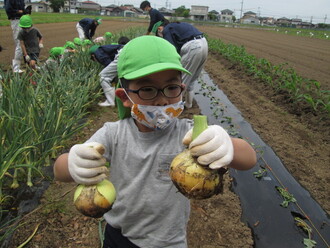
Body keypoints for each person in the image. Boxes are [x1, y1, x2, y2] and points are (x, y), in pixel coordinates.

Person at [53, 36, 257, 248]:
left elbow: (249, 159)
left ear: (182, 90)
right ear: (124, 96)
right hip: (119, 235)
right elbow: (60, 171)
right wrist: (72, 162)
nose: (162, 100)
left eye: (171, 88)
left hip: (169, 241)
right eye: (147, 90)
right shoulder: (113, 134)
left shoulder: (188, 134)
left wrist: (227, 143)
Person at [155, 20, 208, 109]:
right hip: (203, 43)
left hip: (193, 46)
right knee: (191, 79)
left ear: (160, 28)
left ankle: (173, 108)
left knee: (180, 80)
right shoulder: (176, 26)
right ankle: (188, 104)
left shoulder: (166, 29)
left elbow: (171, 49)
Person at [89, 36, 130, 107]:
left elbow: (107, 62)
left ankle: (110, 101)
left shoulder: (97, 51)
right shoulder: (106, 49)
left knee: (103, 76)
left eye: (93, 59)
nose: (95, 60)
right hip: (128, 52)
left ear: (93, 55)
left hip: (122, 54)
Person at [4, 0, 25, 73]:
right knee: (19, 43)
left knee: (26, 42)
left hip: (22, 19)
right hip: (15, 21)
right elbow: (8, 10)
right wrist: (18, 12)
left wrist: (25, 11)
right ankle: (16, 68)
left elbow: (22, 9)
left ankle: (30, 63)